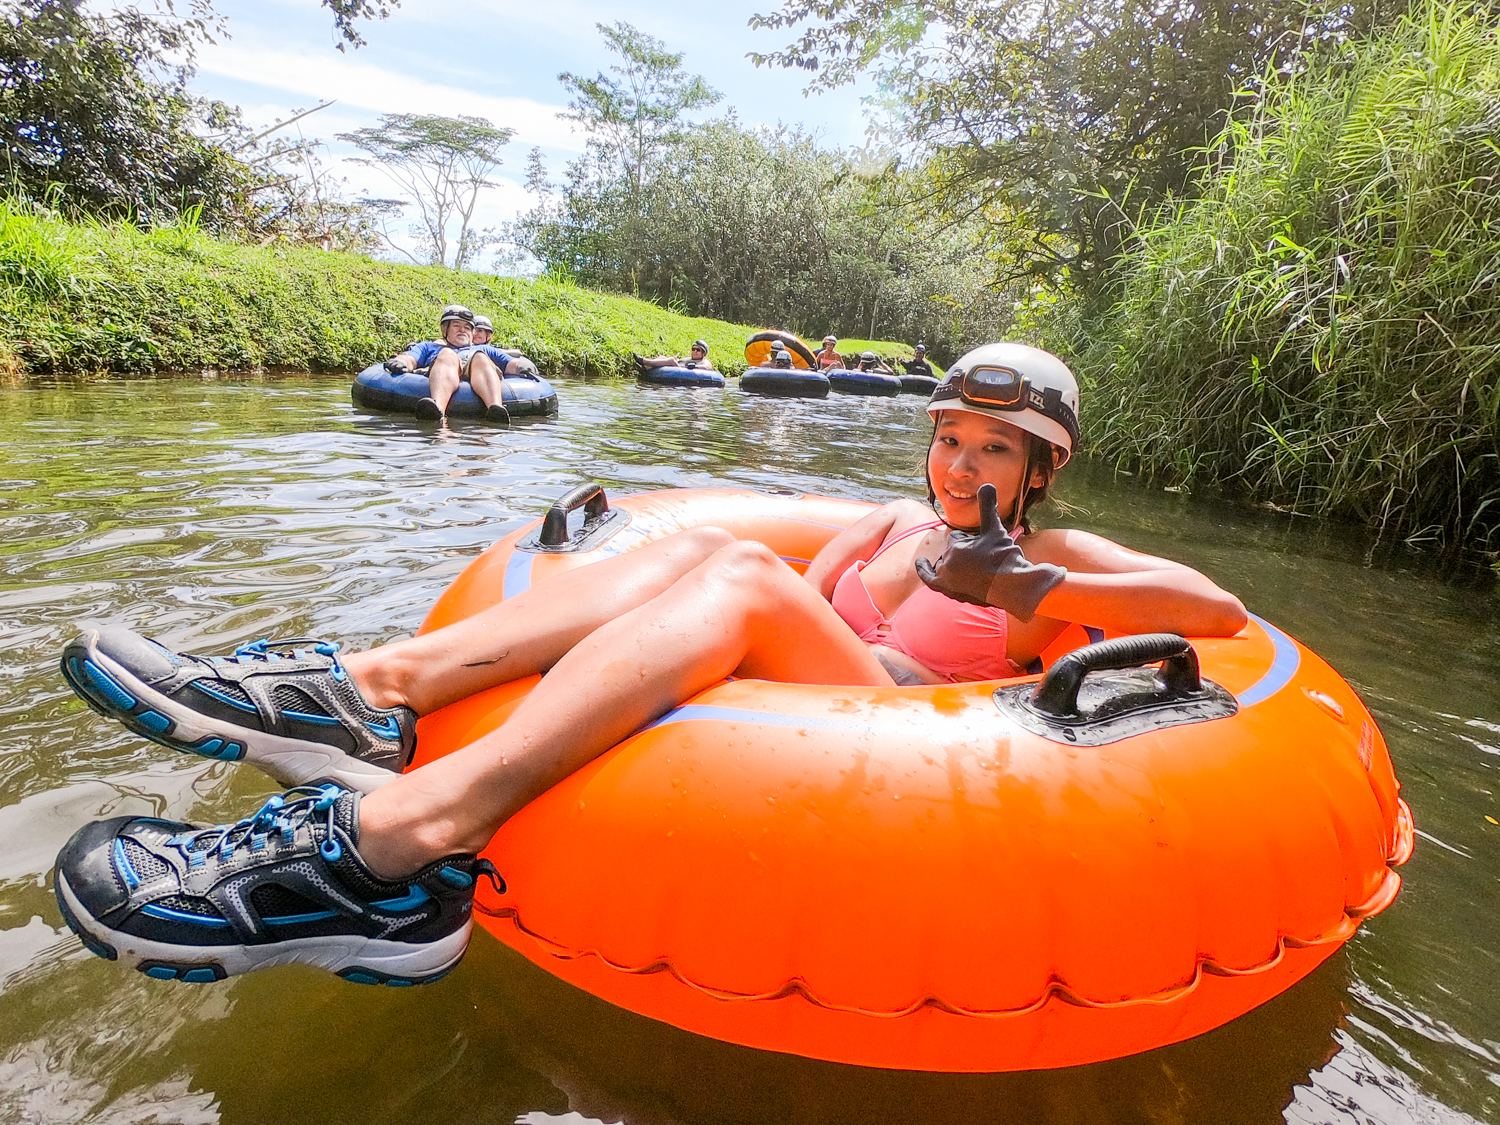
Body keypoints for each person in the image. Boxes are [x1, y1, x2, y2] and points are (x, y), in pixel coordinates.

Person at [52, 342, 1248, 988]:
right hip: (785, 697)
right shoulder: (887, 525)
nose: (960, 466)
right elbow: (769, 576)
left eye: (996, 449)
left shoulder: (1051, 552)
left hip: (904, 731)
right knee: (724, 551)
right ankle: (365, 690)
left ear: (1042, 469)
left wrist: (1019, 583)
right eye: (949, 437)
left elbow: (1211, 604)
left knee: (737, 575)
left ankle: (391, 840)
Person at [383, 305, 509, 425]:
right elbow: (411, 358)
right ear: (445, 329)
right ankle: (437, 408)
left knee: (480, 357)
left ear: (472, 333)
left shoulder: (484, 349)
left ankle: (495, 409)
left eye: (467, 327)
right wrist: (402, 362)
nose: (462, 330)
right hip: (445, 366)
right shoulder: (429, 347)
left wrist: (522, 366)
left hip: (475, 368)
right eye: (456, 326)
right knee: (447, 354)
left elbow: (510, 363)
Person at [634, 340, 714, 371]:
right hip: (677, 369)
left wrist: (694, 367)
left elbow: (706, 367)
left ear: (704, 353)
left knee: (671, 360)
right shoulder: (688, 359)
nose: (695, 351)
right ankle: (646, 368)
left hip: (684, 371)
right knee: (662, 357)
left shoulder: (704, 361)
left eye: (698, 350)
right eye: (693, 349)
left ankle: (643, 361)